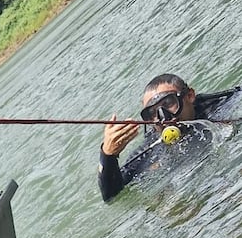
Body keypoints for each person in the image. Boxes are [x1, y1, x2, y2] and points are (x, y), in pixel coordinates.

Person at [98, 73, 240, 202]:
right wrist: (108, 154)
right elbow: (111, 196)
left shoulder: (223, 107)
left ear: (190, 96)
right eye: (152, 113)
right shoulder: (151, 148)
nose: (164, 118)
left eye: (168, 103)